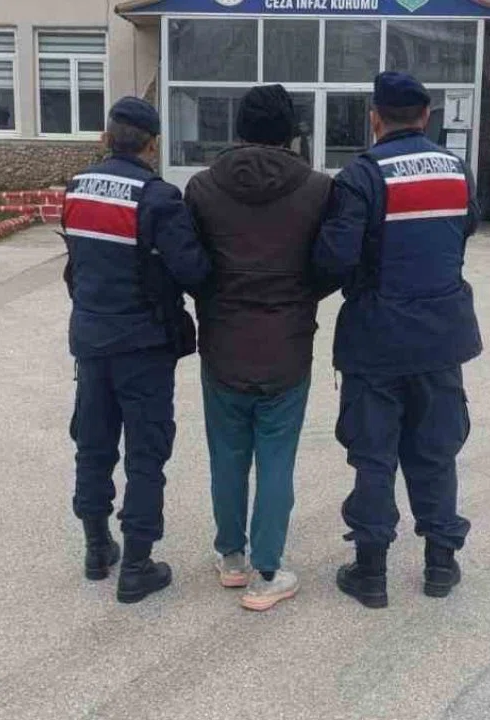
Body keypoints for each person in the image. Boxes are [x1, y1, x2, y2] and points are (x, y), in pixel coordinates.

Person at [314, 72, 482, 609]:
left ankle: (370, 572)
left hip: (377, 340)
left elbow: (335, 258)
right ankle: (440, 564)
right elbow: (466, 229)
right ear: (426, 116)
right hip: (441, 339)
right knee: (436, 451)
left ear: (375, 118)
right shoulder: (456, 169)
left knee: (374, 455)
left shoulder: (362, 175)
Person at [185, 85, 333, 612]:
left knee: (227, 455)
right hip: (287, 345)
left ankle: (231, 557)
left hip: (223, 341)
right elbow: (332, 261)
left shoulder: (202, 188)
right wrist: (302, 296)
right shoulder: (318, 189)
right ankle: (267, 571)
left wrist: (213, 298)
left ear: (239, 128)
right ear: (291, 131)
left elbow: (190, 263)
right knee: (276, 458)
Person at [62, 97, 210, 604]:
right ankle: (138, 564)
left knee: (93, 444)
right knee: (146, 453)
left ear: (106, 138)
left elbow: (78, 262)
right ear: (153, 145)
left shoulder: (77, 188)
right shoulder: (158, 198)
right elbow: (193, 271)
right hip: (144, 345)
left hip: (90, 341)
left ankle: (96, 549)